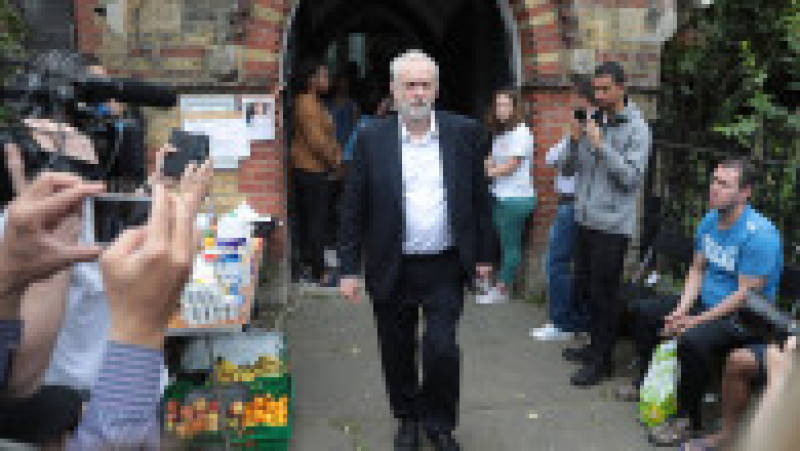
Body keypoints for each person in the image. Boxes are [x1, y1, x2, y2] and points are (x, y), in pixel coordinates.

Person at [338, 49, 493, 451]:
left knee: (442, 348)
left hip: (444, 266)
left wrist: (483, 255)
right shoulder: (372, 137)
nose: (418, 93)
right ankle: (407, 417)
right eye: (410, 85)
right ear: (394, 89)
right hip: (393, 265)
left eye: (425, 85)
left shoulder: (464, 133)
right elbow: (352, 207)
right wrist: (348, 269)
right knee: (396, 348)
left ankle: (439, 423)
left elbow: (479, 199)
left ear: (437, 89)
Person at [0, 163, 211, 449]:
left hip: (104, 390)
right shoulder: (21, 229)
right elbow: (22, 380)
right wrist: (142, 330)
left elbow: (13, 381)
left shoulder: (20, 235)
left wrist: (9, 278)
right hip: (88, 391)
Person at [622, 158, 783, 446]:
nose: (714, 188)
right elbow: (697, 269)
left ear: (745, 192)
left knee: (693, 339)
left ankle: (686, 419)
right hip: (707, 306)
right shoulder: (710, 221)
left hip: (743, 319)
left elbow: (744, 296)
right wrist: (681, 309)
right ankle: (647, 383)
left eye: (724, 184)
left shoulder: (761, 236)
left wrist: (693, 321)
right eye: (714, 180)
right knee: (645, 313)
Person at [554, 61, 652, 387]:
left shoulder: (637, 129)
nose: (598, 95)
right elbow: (569, 171)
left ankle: (602, 361)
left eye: (604, 89)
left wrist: (601, 146)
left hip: (612, 225)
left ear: (622, 88)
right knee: (584, 289)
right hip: (585, 218)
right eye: (595, 89)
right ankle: (596, 347)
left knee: (604, 295)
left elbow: (631, 179)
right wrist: (573, 141)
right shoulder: (594, 119)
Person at [530, 75, 593, 340]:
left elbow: (566, 161)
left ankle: (562, 322)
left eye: (575, 97)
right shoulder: (577, 129)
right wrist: (571, 136)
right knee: (575, 266)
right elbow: (550, 156)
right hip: (569, 204)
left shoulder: (592, 130)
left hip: (575, 204)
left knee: (557, 263)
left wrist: (576, 136)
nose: (571, 103)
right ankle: (576, 320)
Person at [478, 88, 535, 303]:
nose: (500, 109)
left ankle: (502, 290)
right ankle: (487, 280)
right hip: (499, 194)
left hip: (516, 198)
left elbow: (512, 165)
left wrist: (485, 175)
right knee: (491, 240)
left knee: (510, 245)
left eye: (505, 105)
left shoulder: (521, 132)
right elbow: (492, 158)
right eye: (498, 104)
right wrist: (487, 165)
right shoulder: (502, 132)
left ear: (515, 107)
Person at [291, 59, 341, 285]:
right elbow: (317, 143)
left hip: (315, 167)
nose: (328, 80)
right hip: (311, 168)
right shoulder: (308, 105)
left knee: (315, 220)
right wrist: (335, 162)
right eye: (323, 75)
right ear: (311, 80)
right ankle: (318, 272)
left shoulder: (314, 102)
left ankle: (313, 265)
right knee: (315, 221)